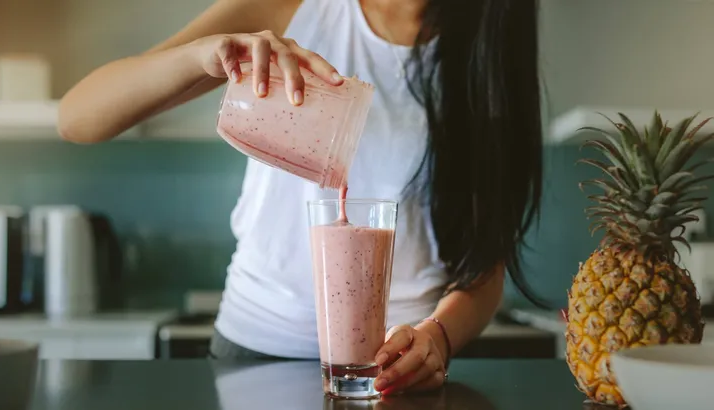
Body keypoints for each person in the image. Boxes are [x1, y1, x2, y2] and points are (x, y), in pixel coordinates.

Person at [58, 0, 546, 395]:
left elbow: (486, 269)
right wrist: (203, 55)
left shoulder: (488, 57)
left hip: (393, 373)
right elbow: (79, 117)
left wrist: (437, 337)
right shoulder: (292, 10)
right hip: (252, 357)